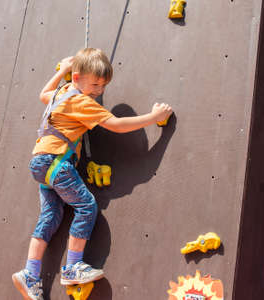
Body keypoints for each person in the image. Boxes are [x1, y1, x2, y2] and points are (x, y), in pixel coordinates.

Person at [12, 48, 173, 300]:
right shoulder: (81, 102)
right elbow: (116, 125)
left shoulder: (62, 93)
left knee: (51, 215)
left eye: (103, 85)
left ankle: (30, 273)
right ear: (77, 79)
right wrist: (154, 117)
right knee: (86, 206)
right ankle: (74, 266)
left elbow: (43, 94)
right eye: (95, 83)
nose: (99, 90)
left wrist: (63, 70)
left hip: (40, 164)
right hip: (57, 162)